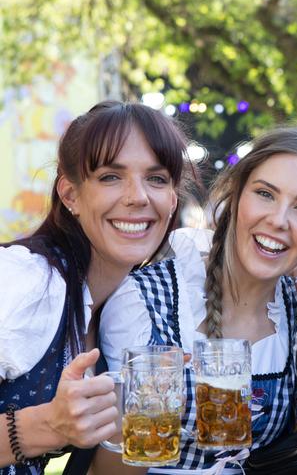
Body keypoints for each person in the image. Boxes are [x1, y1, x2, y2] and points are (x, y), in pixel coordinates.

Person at [95, 127, 297, 474]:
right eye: (265, 194)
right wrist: (150, 409)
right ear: (236, 196)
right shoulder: (147, 300)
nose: (277, 220)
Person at [0, 100, 189, 474]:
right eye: (110, 177)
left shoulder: (121, 307)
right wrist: (47, 426)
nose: (138, 196)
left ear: (172, 199)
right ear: (71, 195)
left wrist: (143, 416)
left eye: (157, 178)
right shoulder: (24, 280)